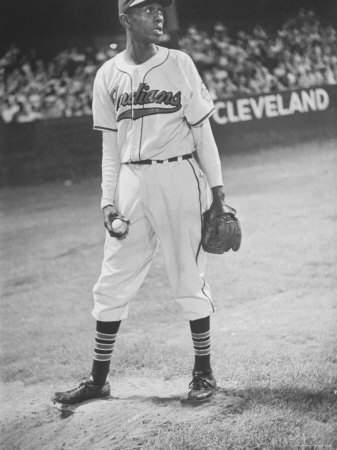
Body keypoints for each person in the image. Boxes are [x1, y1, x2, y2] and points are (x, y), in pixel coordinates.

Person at [53, 0, 229, 404]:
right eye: (147, 9)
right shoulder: (107, 75)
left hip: (179, 175)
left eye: (159, 8)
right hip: (130, 180)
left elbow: (204, 136)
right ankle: (98, 381)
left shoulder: (180, 62)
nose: (158, 14)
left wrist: (219, 196)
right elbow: (110, 148)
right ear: (125, 19)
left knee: (188, 274)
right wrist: (107, 202)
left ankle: (203, 373)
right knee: (112, 278)